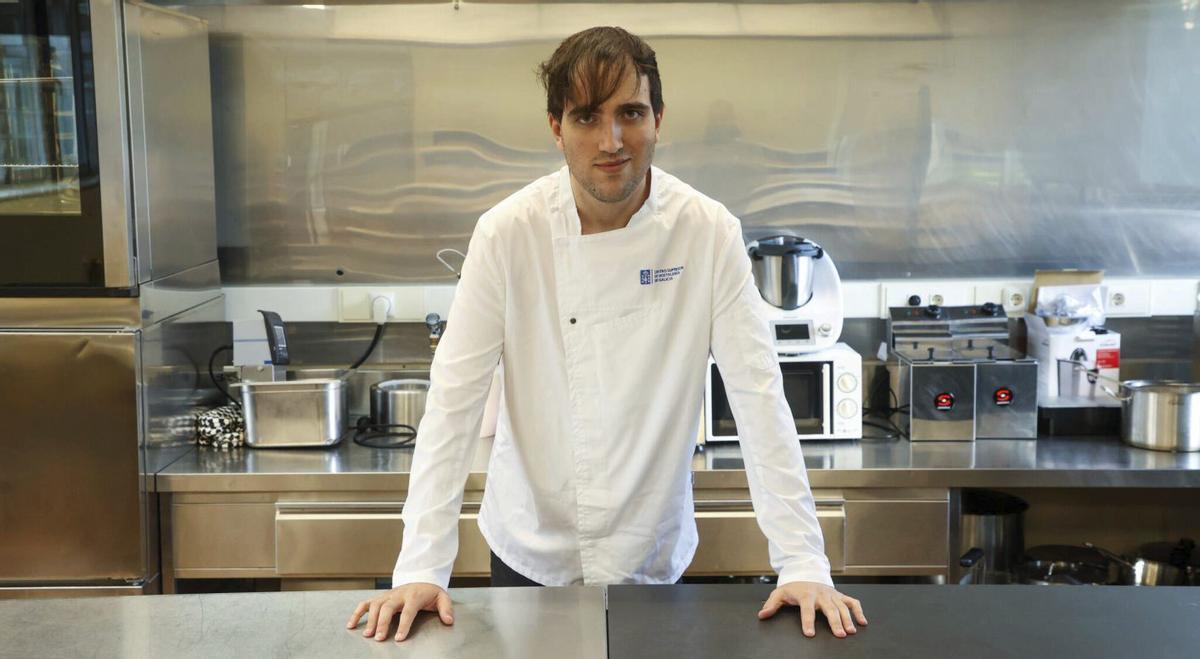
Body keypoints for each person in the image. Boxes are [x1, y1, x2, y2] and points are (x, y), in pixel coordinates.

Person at [347, 26, 868, 643]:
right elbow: (453, 402)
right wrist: (420, 566)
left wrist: (803, 560)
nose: (610, 140)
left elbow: (758, 397)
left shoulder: (707, 233)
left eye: (630, 113)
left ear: (658, 118)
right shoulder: (507, 235)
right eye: (586, 117)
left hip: (651, 550)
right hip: (529, 548)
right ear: (556, 127)